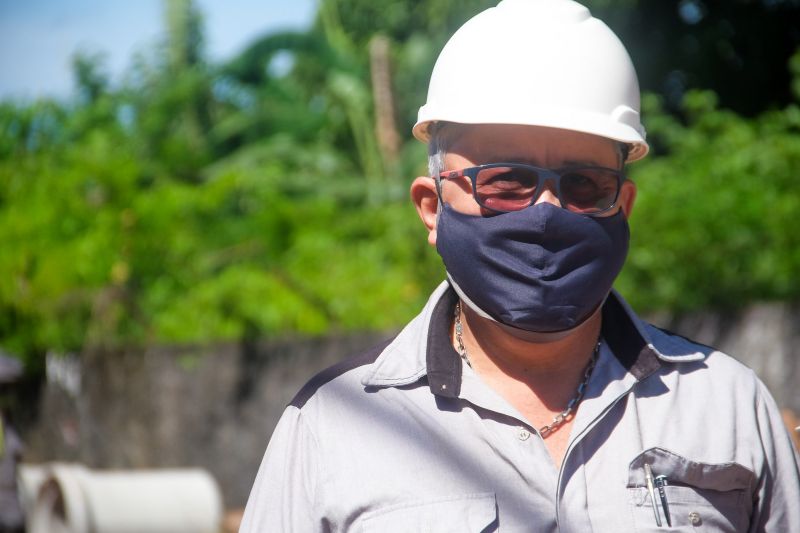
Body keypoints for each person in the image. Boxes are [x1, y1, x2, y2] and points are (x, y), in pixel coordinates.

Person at [240, 0, 800, 530]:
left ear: (622, 208)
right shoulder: (334, 425)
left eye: (584, 183)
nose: (546, 212)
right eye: (505, 181)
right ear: (431, 209)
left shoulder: (728, 406)